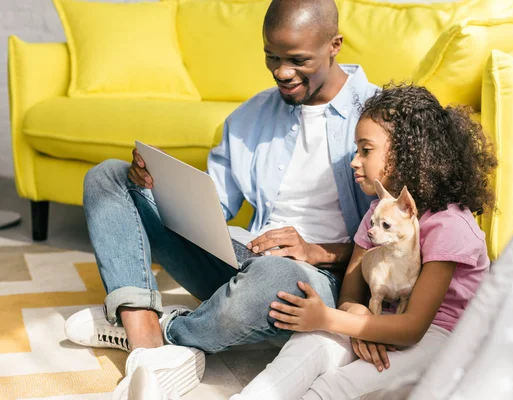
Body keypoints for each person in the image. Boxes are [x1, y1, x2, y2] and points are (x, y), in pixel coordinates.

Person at [63, 0, 378, 397]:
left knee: (272, 276)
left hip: (316, 279)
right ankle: (143, 332)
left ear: (335, 45)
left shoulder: (377, 117)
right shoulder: (253, 114)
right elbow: (212, 208)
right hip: (242, 254)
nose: (282, 72)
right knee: (108, 175)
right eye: (272, 57)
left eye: (298, 60)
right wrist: (152, 188)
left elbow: (395, 237)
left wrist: (317, 251)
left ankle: (160, 329)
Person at [230, 83, 498, 400]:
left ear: (408, 154)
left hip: (441, 337)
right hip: (381, 319)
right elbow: (351, 291)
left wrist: (330, 318)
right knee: (307, 346)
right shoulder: (376, 213)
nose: (354, 161)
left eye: (365, 150)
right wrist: (357, 318)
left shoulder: (449, 225)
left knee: (335, 386)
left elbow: (414, 327)